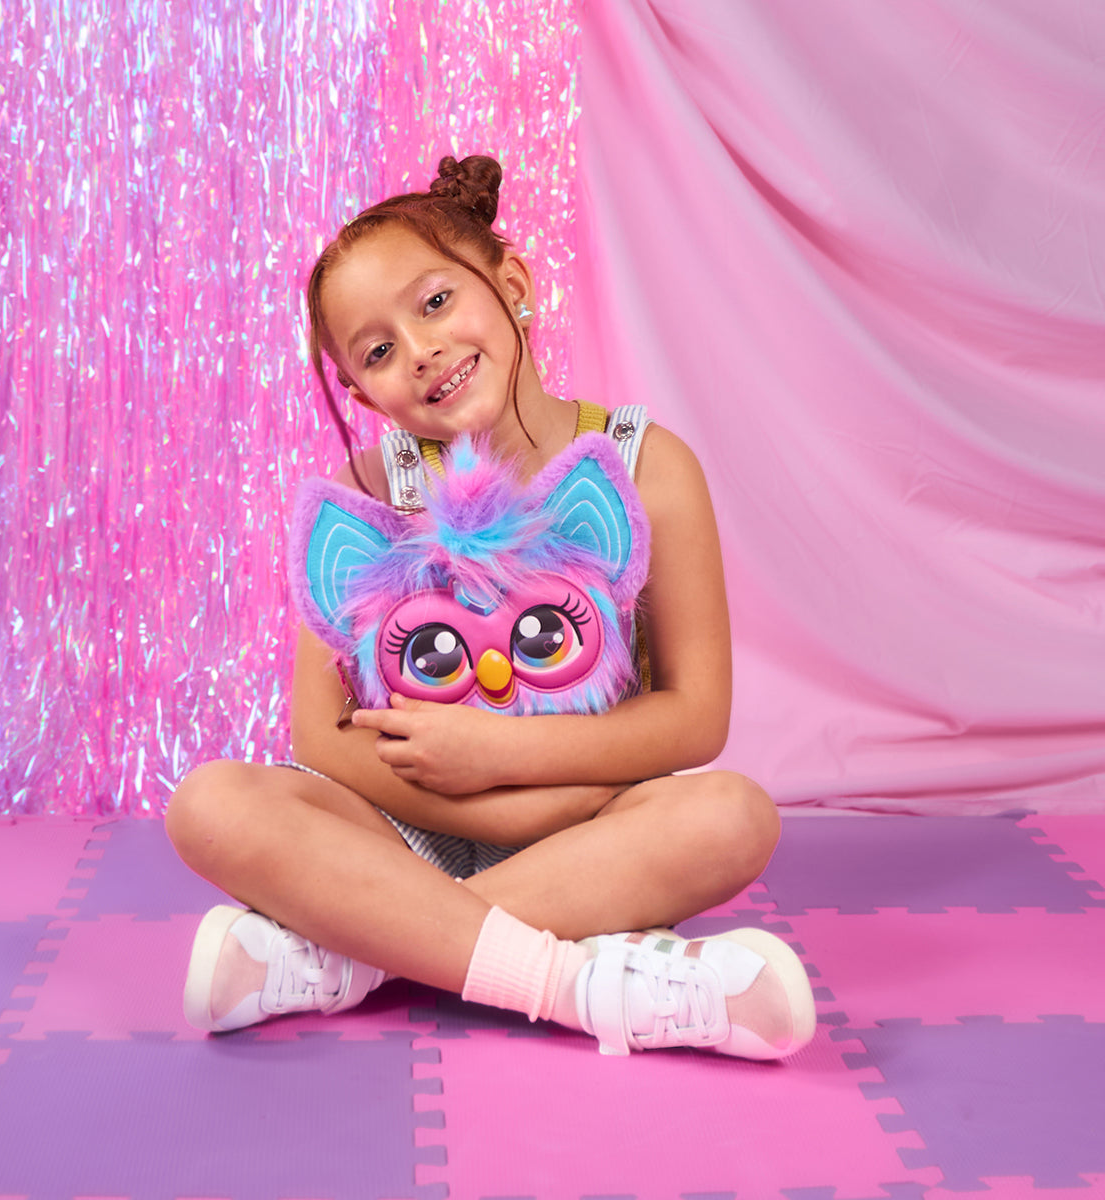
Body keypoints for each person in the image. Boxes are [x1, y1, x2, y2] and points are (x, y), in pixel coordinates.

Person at [164, 154, 816, 1059]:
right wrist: (479, 807)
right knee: (212, 804)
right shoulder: (368, 490)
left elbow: (695, 717)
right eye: (378, 351)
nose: (420, 350)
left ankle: (357, 953)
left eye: (435, 303)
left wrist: (504, 761)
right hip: (407, 828)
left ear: (512, 284)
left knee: (732, 817)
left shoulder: (648, 468)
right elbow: (321, 735)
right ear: (360, 392)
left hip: (589, 828)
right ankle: (577, 983)